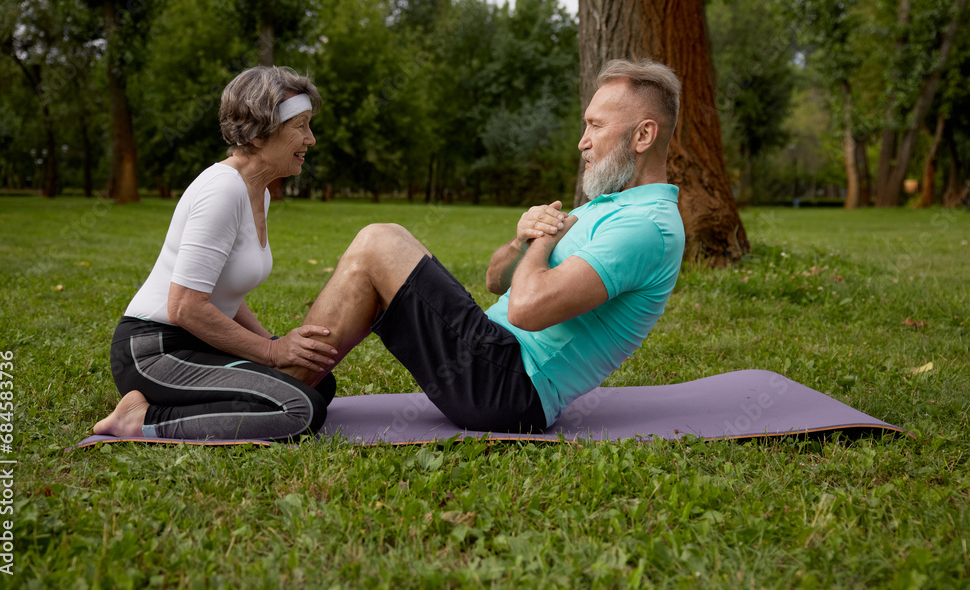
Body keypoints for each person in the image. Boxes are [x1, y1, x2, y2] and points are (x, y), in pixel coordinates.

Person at [280, 58, 686, 432]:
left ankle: (276, 395)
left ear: (644, 135)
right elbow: (495, 281)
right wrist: (521, 240)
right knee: (379, 251)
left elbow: (527, 310)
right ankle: (289, 388)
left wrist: (543, 242)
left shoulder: (645, 226)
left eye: (595, 126)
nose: (583, 141)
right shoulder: (612, 206)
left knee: (379, 241)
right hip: (494, 361)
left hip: (510, 388)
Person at [95, 66, 339, 440]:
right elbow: (186, 306)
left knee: (318, 383)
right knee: (301, 409)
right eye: (300, 125)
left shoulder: (261, 192)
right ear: (259, 132)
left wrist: (273, 343)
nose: (311, 139)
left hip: (198, 343)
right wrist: (272, 354)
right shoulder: (222, 189)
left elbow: (222, 291)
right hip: (154, 352)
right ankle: (140, 419)